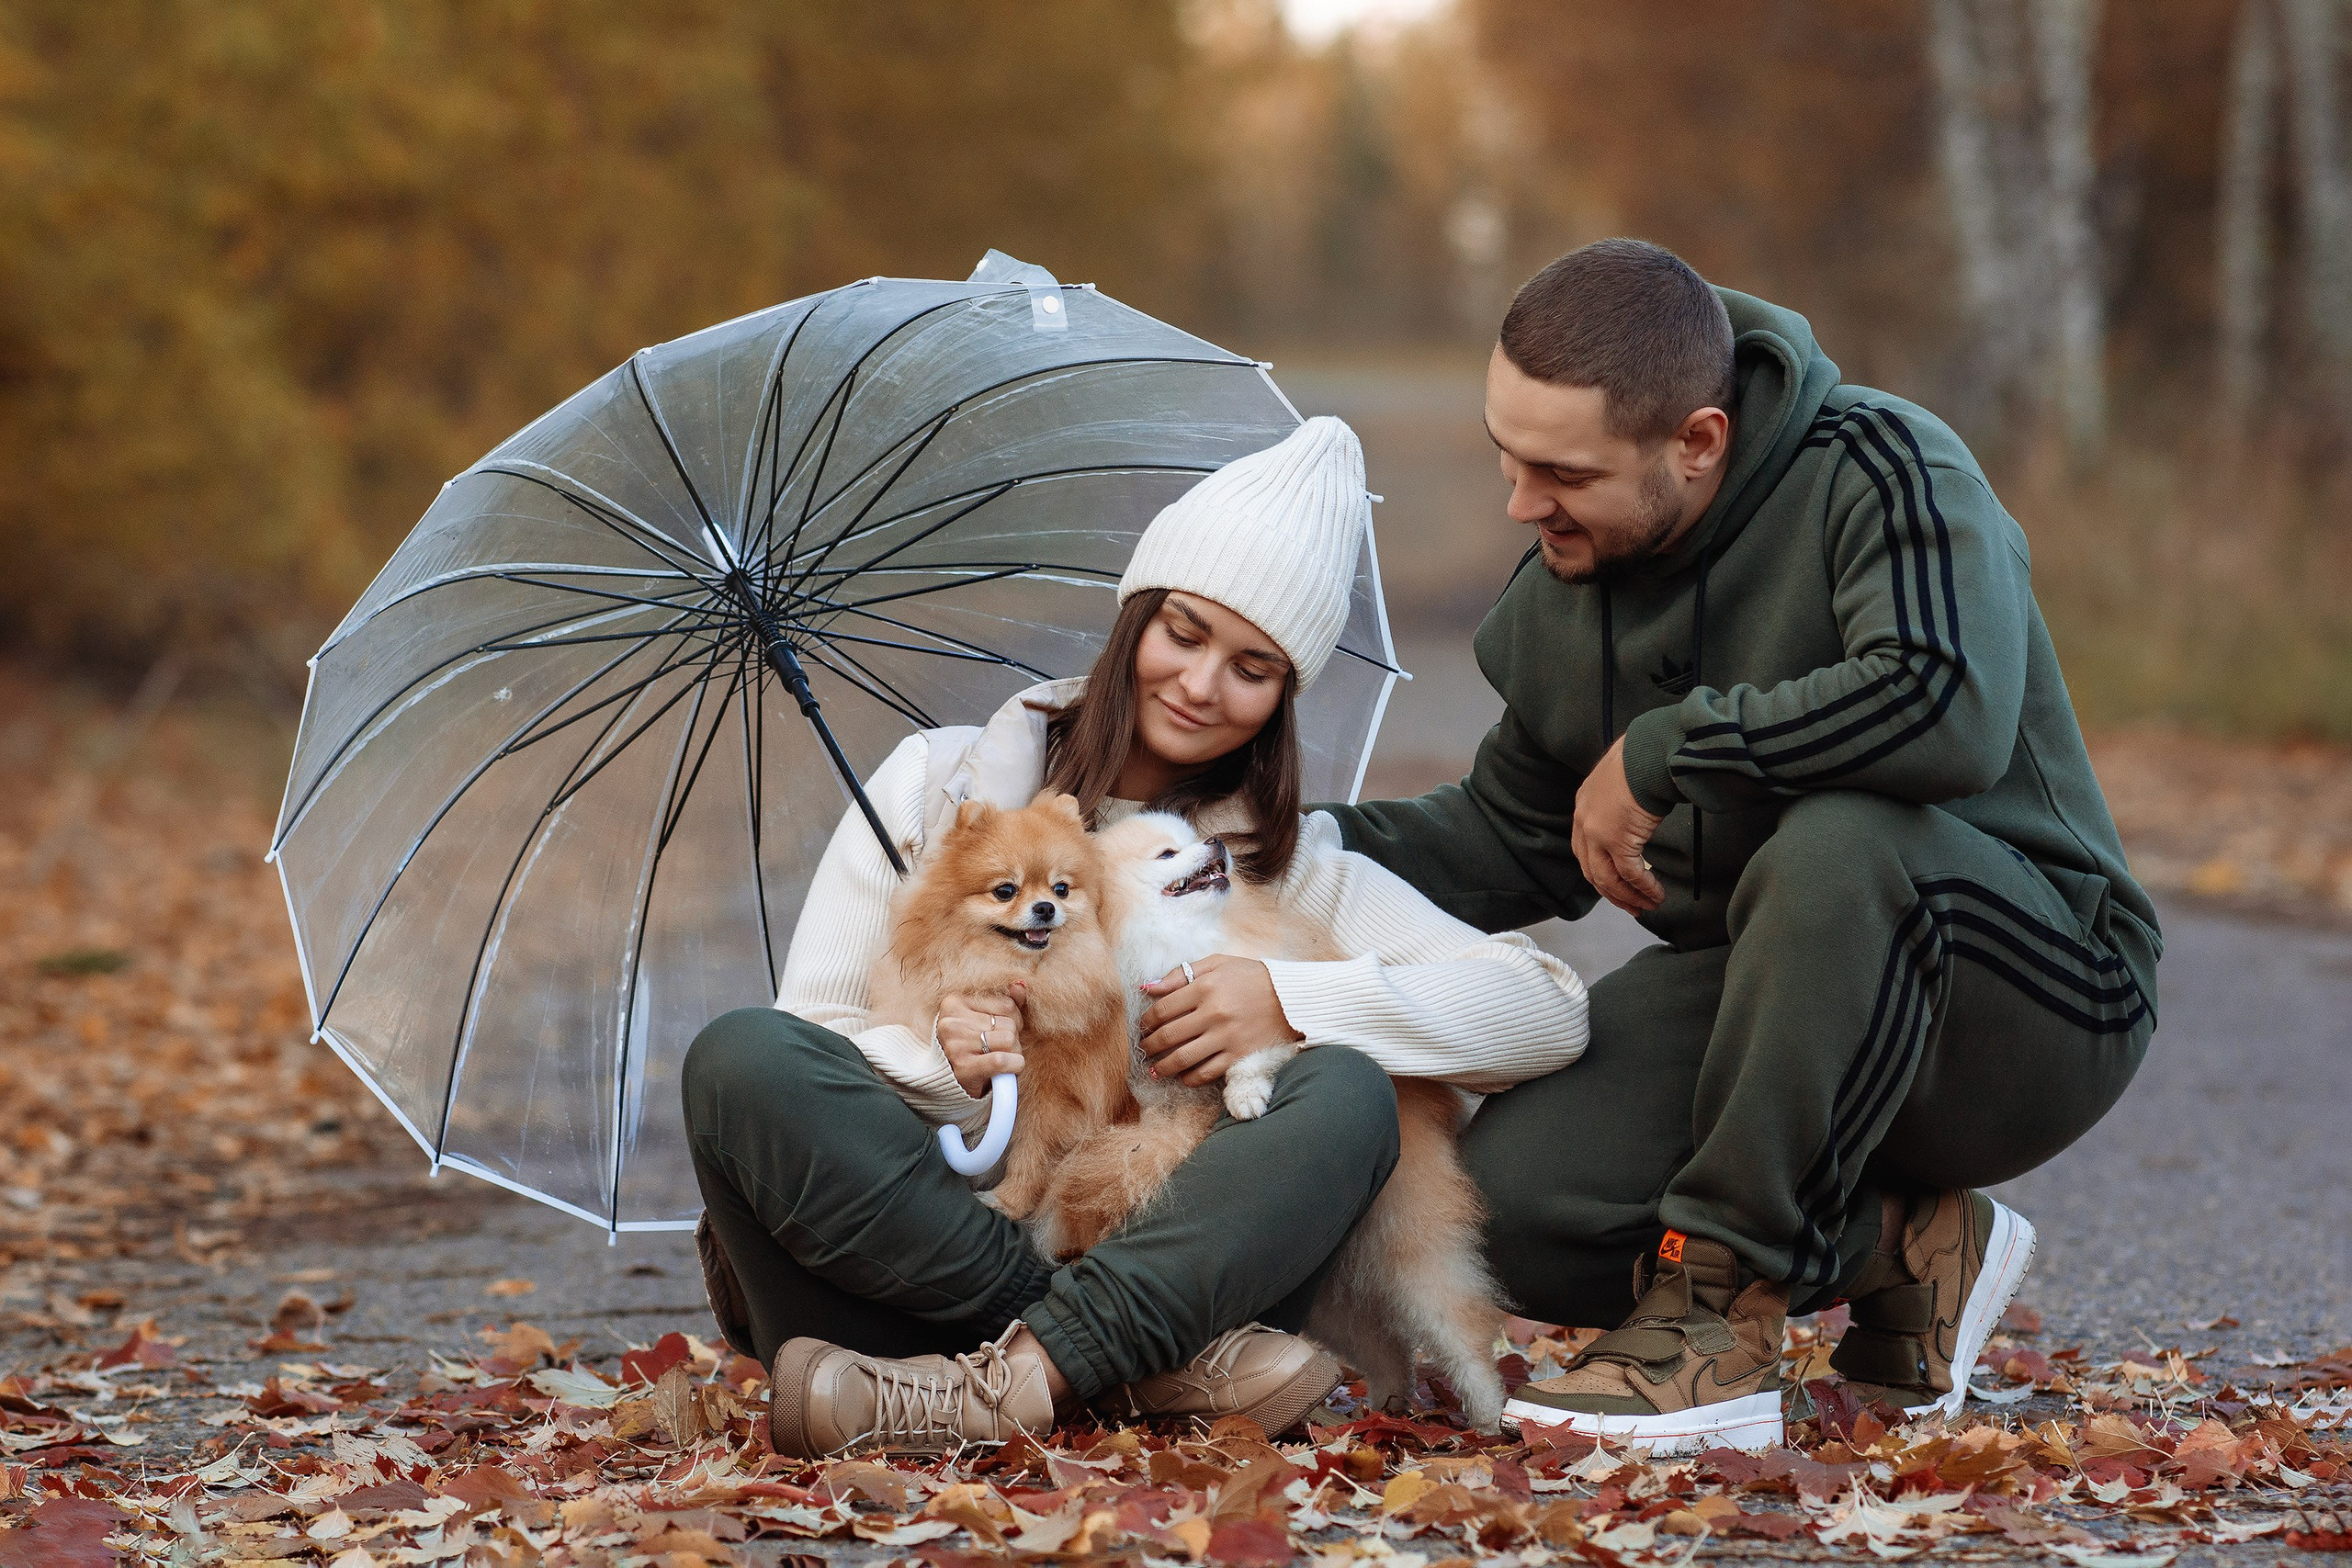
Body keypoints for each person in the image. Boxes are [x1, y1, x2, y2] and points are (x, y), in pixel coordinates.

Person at [1319, 240, 2158, 1450]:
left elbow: (1945, 702)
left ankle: (1717, 1310)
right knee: (1503, 1210)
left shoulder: (1885, 467)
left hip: (2027, 995)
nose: (1520, 501)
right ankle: (1907, 1243)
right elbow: (1502, 839)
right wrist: (1253, 838)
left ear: (1698, 442)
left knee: (1841, 845)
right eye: (1506, 456)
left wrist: (1668, 749)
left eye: (1561, 469)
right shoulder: (1569, 580)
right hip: (1781, 1007)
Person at [683, 416, 1590, 1458]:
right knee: (739, 1059)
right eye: (1187, 633)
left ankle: (1017, 1382)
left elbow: (1546, 1007)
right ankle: (1117, 1373)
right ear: (1137, 618)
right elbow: (813, 1033)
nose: (1202, 685)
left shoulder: (1285, 864)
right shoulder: (939, 786)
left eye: (1253, 668)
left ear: (1283, 699)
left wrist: (1291, 1001)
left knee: (1340, 1090)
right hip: (907, 1284)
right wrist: (938, 1065)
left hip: (1127, 1289)